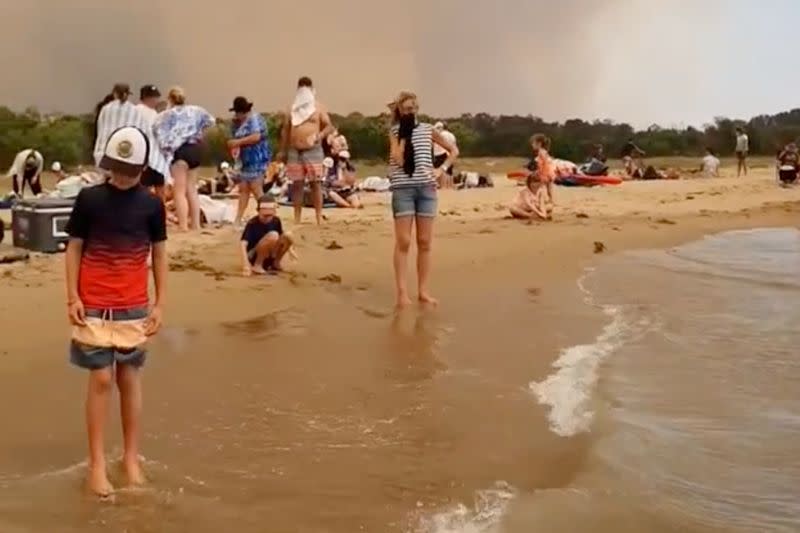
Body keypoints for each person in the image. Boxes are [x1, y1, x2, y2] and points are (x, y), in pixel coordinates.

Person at [64, 126, 167, 498]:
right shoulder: (89, 199)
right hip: (92, 303)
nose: (122, 177)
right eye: (117, 169)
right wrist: (72, 296)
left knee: (129, 378)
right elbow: (74, 247)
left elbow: (159, 255)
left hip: (134, 305)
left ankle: (131, 458)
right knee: (102, 379)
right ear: (108, 166)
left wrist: (160, 304)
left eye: (130, 171)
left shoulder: (152, 205)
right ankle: (96, 463)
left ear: (142, 169)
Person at [387, 91, 458, 308]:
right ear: (400, 111)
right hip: (403, 189)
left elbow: (453, 150)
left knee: (425, 242)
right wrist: (403, 135)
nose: (411, 112)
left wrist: (441, 169)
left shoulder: (428, 130)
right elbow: (398, 160)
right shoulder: (395, 132)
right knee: (404, 241)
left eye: (413, 108)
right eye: (407, 109)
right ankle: (401, 292)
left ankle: (423, 291)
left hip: (426, 188)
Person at [154, 87, 215, 231]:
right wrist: (198, 131)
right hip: (194, 149)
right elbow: (211, 121)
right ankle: (195, 224)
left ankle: (183, 225)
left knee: (179, 191)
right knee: (191, 189)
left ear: (170, 99)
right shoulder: (196, 110)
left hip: (179, 151)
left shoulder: (166, 115)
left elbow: (156, 130)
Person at [278, 76, 335, 225]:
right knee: (297, 184)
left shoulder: (318, 107)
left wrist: (320, 135)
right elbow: (286, 130)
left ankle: (318, 217)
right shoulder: (291, 108)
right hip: (294, 150)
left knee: (316, 183)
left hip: (313, 150)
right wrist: (282, 150)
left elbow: (329, 126)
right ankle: (297, 218)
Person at [228, 96, 271, 226]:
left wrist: (238, 142)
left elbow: (256, 136)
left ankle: (268, 215)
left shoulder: (254, 119)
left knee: (256, 188)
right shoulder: (239, 123)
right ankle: (238, 219)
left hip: (257, 158)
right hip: (246, 160)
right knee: (244, 188)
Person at [93, 83, 149, 168]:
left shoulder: (106, 109)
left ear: (114, 93)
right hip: (125, 154)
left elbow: (100, 129)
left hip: (104, 153)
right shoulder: (135, 111)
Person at [240, 195, 294, 275]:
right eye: (264, 216)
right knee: (273, 235)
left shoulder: (276, 220)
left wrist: (290, 250)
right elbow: (243, 244)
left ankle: (276, 262)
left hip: (271, 251)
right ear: (258, 211)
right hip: (254, 254)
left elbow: (282, 236)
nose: (267, 218)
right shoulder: (252, 223)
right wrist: (246, 264)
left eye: (270, 216)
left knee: (288, 235)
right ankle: (258, 265)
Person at [136, 85, 171, 201]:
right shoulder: (138, 111)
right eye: (153, 97)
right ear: (146, 98)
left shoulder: (154, 113)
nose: (156, 100)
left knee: (159, 189)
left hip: (156, 157)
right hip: (146, 158)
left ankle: (161, 214)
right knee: (144, 189)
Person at [531, 134, 556, 207]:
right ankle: (551, 201)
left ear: (539, 144)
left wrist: (539, 172)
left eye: (533, 143)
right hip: (549, 172)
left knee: (542, 187)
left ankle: (544, 201)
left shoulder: (541, 152)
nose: (532, 145)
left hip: (545, 173)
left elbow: (543, 164)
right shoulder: (544, 151)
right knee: (549, 188)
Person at [433, 122, 457, 188]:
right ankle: (450, 187)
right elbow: (454, 146)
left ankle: (443, 187)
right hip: (450, 154)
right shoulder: (452, 135)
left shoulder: (441, 134)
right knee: (449, 172)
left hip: (440, 153)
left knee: (442, 171)